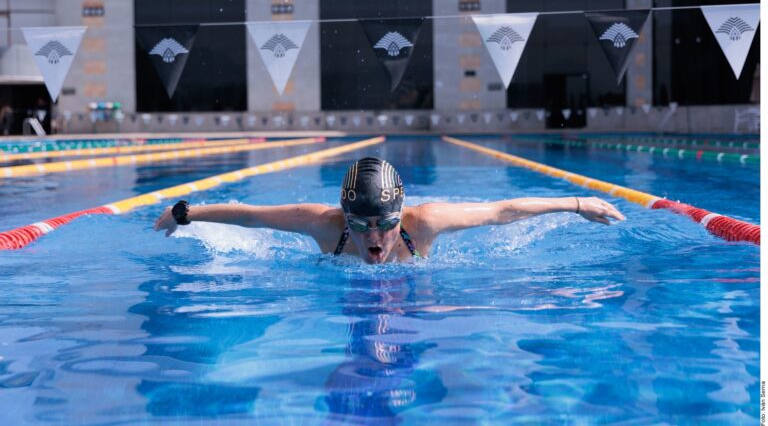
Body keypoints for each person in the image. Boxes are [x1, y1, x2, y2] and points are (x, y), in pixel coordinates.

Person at [154, 157, 625, 264]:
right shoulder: (324, 225)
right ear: (346, 218)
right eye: (361, 226)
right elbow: (251, 215)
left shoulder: (426, 223)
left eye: (385, 225)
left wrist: (578, 203)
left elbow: (503, 211)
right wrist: (184, 214)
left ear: (401, 216)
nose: (374, 238)